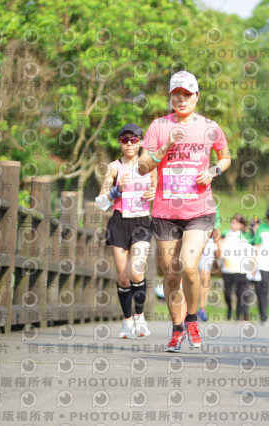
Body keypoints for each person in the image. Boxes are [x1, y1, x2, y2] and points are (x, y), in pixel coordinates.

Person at [138, 70, 231, 352]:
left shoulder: (209, 127)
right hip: (166, 212)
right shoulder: (158, 126)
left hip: (199, 209)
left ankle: (191, 319)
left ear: (196, 97)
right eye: (176, 95)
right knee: (171, 273)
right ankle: (177, 328)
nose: (182, 100)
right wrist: (165, 146)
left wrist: (214, 170)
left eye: (187, 95)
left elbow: (225, 157)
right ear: (170, 97)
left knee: (190, 267)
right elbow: (142, 166)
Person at [96, 123, 157, 338]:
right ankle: (127, 321)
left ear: (141, 142)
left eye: (134, 139)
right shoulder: (113, 167)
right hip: (119, 222)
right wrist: (116, 189)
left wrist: (154, 195)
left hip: (141, 221)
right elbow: (101, 202)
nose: (129, 143)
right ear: (120, 143)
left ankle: (140, 317)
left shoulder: (150, 166)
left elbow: (159, 192)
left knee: (137, 272)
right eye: (125, 139)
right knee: (123, 277)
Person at [219, 214, 254, 321]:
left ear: (241, 225)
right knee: (227, 293)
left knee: (240, 293)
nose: (233, 224)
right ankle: (229, 308)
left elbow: (251, 251)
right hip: (227, 268)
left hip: (240, 269)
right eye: (233, 222)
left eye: (236, 222)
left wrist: (252, 265)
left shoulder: (246, 236)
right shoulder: (225, 233)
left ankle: (239, 315)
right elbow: (219, 245)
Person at [197, 204, 222, 321]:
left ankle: (202, 309)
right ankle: (186, 309)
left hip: (208, 243)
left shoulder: (213, 205)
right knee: (188, 275)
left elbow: (216, 226)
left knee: (205, 277)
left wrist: (218, 245)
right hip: (190, 241)